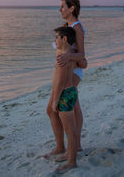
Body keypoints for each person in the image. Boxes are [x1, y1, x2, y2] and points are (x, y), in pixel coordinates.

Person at [45, 0, 87, 162]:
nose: (60, 9)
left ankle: (70, 147)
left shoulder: (77, 27)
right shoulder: (65, 27)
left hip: (73, 73)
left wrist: (70, 56)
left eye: (62, 6)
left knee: (68, 109)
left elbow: (81, 54)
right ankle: (67, 147)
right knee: (70, 108)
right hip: (65, 70)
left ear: (72, 8)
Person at [47, 26, 78, 173]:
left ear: (64, 39)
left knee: (69, 130)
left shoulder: (62, 57)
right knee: (69, 129)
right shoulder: (71, 53)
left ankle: (72, 161)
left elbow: (61, 81)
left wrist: (55, 101)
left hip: (64, 94)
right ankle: (69, 156)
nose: (54, 41)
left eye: (56, 38)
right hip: (71, 92)